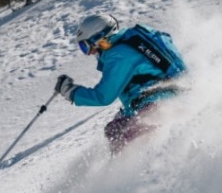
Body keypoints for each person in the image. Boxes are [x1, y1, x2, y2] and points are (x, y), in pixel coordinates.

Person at [54, 14, 186, 154]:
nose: (89, 53)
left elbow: (103, 96)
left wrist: (70, 92)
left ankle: (139, 169)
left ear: (98, 38)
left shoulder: (119, 54)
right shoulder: (136, 37)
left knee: (122, 138)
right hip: (169, 95)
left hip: (158, 105)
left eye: (85, 46)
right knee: (114, 129)